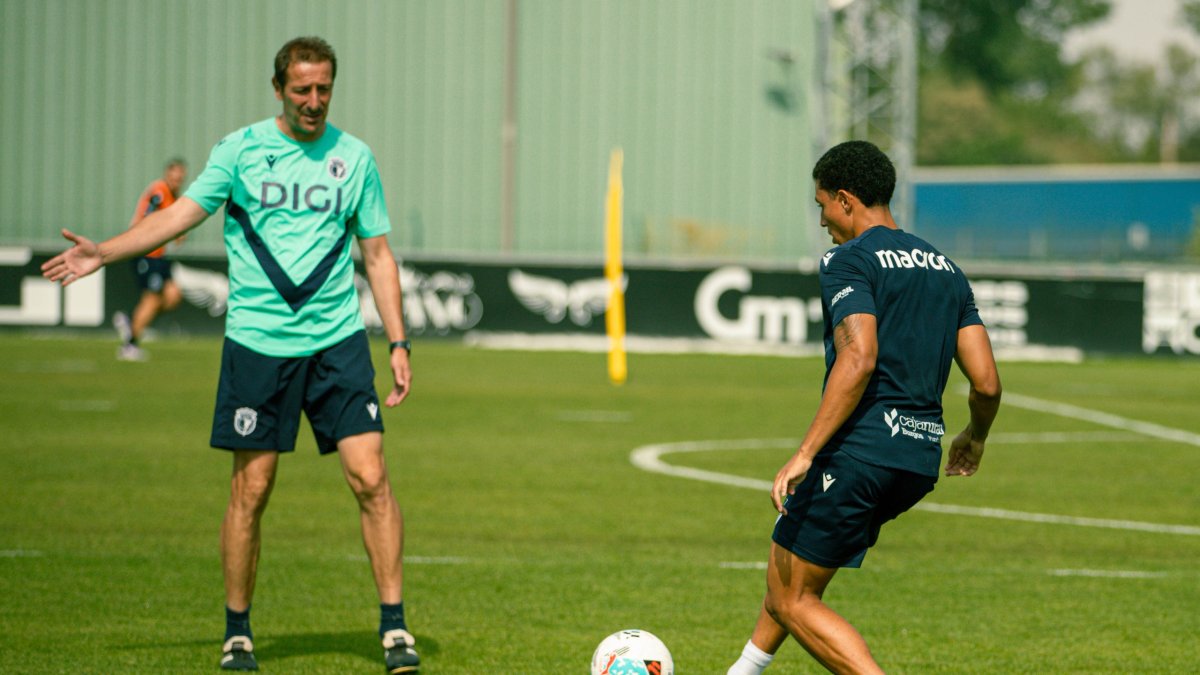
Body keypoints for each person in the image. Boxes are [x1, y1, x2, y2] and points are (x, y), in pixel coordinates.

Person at [42, 36, 420, 674]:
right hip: (258, 347)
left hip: (337, 342)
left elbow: (377, 256)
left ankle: (394, 627)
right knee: (252, 488)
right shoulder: (239, 151)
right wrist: (105, 251)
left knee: (372, 477)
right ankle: (238, 631)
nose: (313, 101)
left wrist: (399, 341)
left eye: (324, 88)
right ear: (278, 89)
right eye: (301, 89)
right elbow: (179, 218)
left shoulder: (355, 158)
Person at [726, 140, 1002, 675]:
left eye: (822, 204)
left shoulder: (847, 259)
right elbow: (987, 383)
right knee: (792, 573)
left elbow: (859, 357)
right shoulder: (947, 269)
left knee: (792, 598)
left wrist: (806, 452)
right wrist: (976, 436)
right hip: (919, 460)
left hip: (862, 453)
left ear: (846, 200)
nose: (823, 219)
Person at [113, 158, 189, 361]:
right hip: (145, 251)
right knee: (152, 298)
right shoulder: (159, 191)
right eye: (174, 176)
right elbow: (148, 217)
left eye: (180, 178)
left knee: (173, 296)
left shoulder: (173, 195)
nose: (177, 180)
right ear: (167, 174)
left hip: (159, 254)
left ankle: (132, 321)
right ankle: (129, 345)